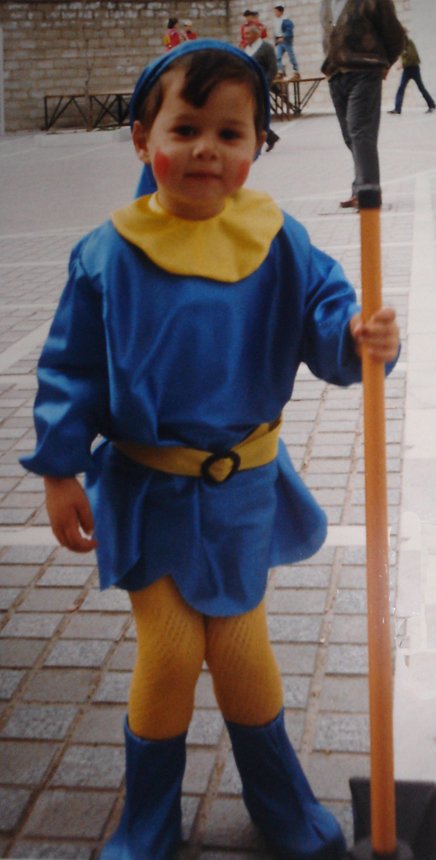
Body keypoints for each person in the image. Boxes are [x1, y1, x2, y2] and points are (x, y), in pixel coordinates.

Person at [21, 38, 400, 860]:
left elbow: (327, 317)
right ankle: (148, 822)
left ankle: (282, 807)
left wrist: (357, 337)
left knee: (239, 651)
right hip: (148, 489)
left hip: (241, 495)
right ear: (143, 140)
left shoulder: (278, 240)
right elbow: (69, 369)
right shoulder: (108, 255)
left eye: (231, 134)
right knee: (169, 652)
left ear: (257, 145)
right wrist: (59, 468)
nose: (206, 150)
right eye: (185, 129)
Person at [320, 0, 406, 209]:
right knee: (350, 135)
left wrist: (384, 63)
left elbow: (395, 34)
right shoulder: (325, 3)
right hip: (336, 73)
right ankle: (359, 188)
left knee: (361, 132)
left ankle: (369, 193)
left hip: (365, 70)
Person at [244, 24, 280, 151]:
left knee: (258, 115)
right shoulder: (246, 49)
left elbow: (273, 68)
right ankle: (270, 136)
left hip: (261, 87)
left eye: (248, 33)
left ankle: (267, 137)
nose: (245, 36)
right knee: (252, 114)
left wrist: (265, 84)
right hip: (249, 87)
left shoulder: (266, 48)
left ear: (256, 34)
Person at [388, 35, 435, 115]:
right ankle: (397, 109)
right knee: (401, 88)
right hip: (407, 70)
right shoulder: (402, 46)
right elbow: (398, 55)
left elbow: (412, 56)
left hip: (414, 68)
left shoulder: (410, 44)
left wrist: (402, 65)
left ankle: (432, 105)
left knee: (421, 87)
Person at [273, 5, 300, 79]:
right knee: (278, 57)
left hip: (286, 41)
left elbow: (289, 31)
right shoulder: (276, 21)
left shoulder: (286, 20)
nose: (275, 13)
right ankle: (280, 71)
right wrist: (276, 41)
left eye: (276, 12)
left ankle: (296, 71)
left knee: (291, 56)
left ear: (280, 12)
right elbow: (276, 32)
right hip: (279, 42)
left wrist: (283, 36)